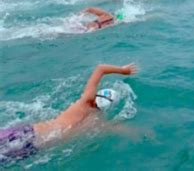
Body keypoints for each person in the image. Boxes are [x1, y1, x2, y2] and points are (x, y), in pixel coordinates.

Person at [0, 63, 138, 163]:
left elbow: (100, 69)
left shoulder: (86, 99)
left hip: (29, 131)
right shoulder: (98, 121)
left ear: (98, 96)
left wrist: (122, 70)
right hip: (34, 145)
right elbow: (118, 128)